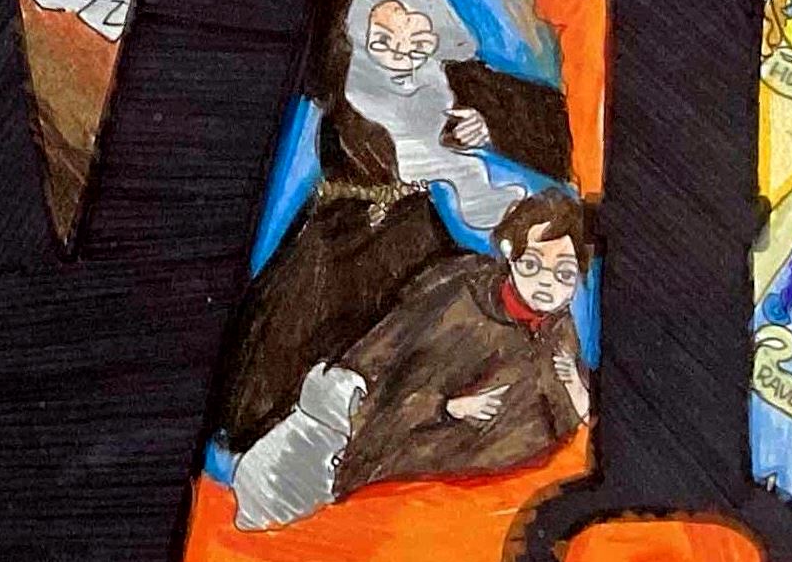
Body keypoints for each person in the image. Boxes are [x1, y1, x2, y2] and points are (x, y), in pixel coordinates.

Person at [215, 0, 575, 453]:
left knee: (419, 336)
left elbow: (553, 127)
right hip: (337, 236)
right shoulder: (340, 77)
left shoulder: (444, 77)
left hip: (411, 235)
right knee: (283, 358)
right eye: (384, 41)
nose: (402, 58)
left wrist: (487, 126)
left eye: (417, 42)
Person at [232, 189, 595, 529]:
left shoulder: (558, 331)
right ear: (509, 252)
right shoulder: (460, 299)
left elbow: (563, 421)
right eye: (532, 264)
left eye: (564, 273)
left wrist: (575, 392)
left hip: (481, 496)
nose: (546, 283)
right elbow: (389, 379)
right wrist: (446, 407)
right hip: (389, 465)